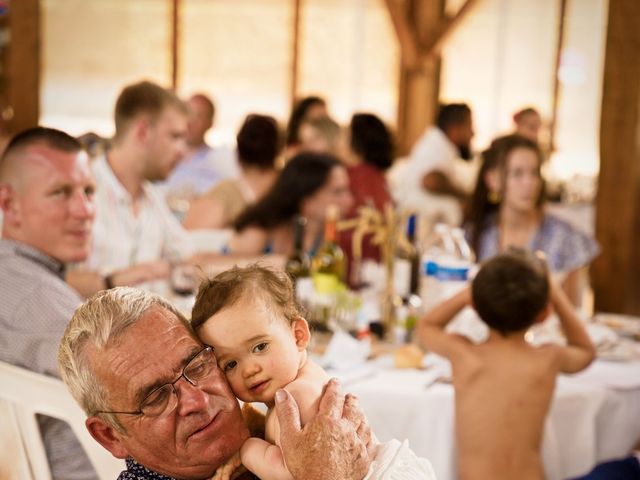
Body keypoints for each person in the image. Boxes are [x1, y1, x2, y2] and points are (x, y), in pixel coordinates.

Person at [57, 286, 378, 480]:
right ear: (110, 435)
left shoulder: (279, 429)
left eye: (196, 365)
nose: (197, 401)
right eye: (155, 397)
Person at [190, 264, 436, 480]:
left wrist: (247, 448)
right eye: (231, 364)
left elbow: (289, 472)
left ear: (299, 335)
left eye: (260, 346)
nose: (250, 369)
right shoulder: (305, 378)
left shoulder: (295, 398)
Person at [417, 248, 596, 480]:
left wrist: (471, 292)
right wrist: (552, 289)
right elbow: (586, 351)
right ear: (544, 314)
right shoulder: (547, 359)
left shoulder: (465, 355)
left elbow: (426, 326)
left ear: (474, 305)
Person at [0, 127, 98, 479]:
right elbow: (131, 384)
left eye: (89, 191)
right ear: (9, 204)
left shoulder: (16, 274)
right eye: (61, 193)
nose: (84, 210)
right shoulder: (34, 298)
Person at [66, 80, 196, 298]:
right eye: (175, 136)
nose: (183, 151)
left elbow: (190, 260)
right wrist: (115, 280)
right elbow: (37, 278)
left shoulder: (152, 197)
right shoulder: (79, 192)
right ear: (143, 132)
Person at [464, 134, 599, 306]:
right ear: (492, 180)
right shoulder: (476, 234)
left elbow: (573, 311)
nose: (529, 182)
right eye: (517, 173)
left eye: (534, 173)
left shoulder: (565, 237)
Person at [227, 152, 353, 256]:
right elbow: (215, 269)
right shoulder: (259, 232)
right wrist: (272, 265)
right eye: (337, 192)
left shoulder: (324, 236)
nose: (349, 201)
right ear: (306, 199)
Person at [183, 114, 281, 230]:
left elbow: (190, 236)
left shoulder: (227, 193)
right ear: (278, 151)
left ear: (238, 152)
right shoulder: (288, 190)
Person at [396, 103, 475, 226]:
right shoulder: (435, 145)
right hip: (420, 230)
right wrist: (465, 195)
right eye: (469, 126)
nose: (473, 133)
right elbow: (431, 180)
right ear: (454, 128)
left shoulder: (441, 145)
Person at [159, 93, 239, 202]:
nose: (191, 122)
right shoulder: (160, 158)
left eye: (199, 116)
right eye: (188, 114)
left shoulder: (220, 162)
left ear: (210, 123)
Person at [342, 113, 394, 263]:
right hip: (379, 259)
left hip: (355, 256)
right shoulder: (379, 178)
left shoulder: (352, 177)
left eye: (344, 135)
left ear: (355, 143)